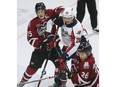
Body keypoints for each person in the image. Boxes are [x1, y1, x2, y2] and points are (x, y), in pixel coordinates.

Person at [17, 2, 67, 87]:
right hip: (40, 50)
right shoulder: (32, 23)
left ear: (45, 10)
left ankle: (61, 84)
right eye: (38, 12)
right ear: (36, 12)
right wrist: (41, 45)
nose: (40, 13)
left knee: (61, 65)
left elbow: (63, 9)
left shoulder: (50, 13)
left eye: (42, 11)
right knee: (32, 68)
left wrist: (58, 18)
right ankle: (22, 82)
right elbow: (30, 39)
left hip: (54, 47)